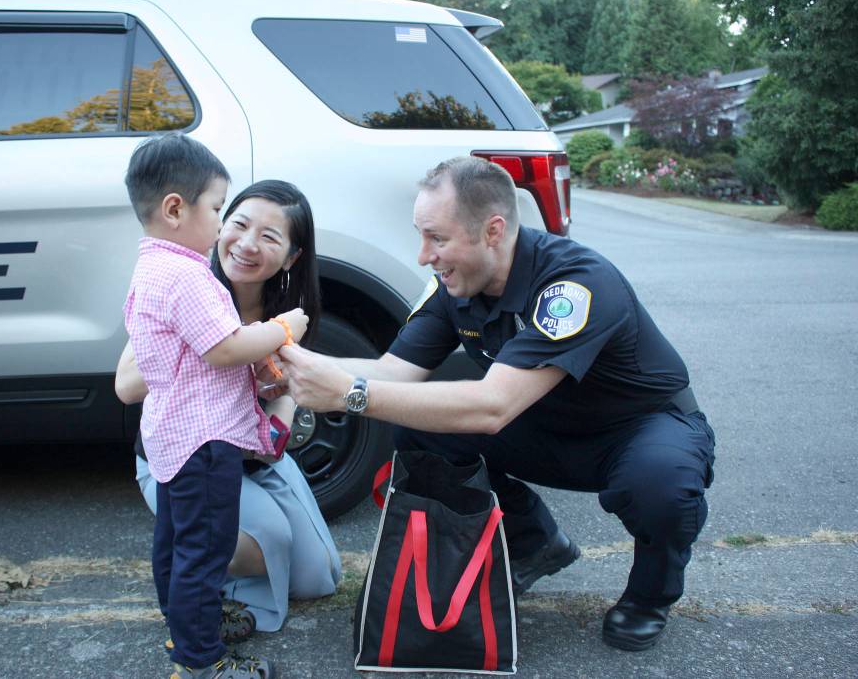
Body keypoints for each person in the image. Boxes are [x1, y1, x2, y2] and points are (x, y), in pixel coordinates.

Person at [279, 156, 716, 652]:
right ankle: (534, 544)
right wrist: (293, 363)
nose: (424, 255)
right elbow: (395, 372)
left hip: (639, 429)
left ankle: (649, 597)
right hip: (546, 426)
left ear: (493, 230)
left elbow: (493, 406)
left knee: (661, 486)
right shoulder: (457, 284)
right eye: (420, 236)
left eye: (437, 238)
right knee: (416, 428)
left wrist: (347, 393)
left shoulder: (575, 284)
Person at [115, 178, 341, 640]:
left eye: (270, 237)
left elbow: (285, 392)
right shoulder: (186, 284)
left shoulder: (289, 311)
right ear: (218, 223)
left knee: (318, 578)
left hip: (252, 455)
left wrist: (276, 427)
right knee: (265, 545)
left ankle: (204, 566)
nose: (247, 244)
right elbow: (125, 387)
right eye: (238, 223)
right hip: (184, 459)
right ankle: (200, 596)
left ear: (292, 257)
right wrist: (210, 343)